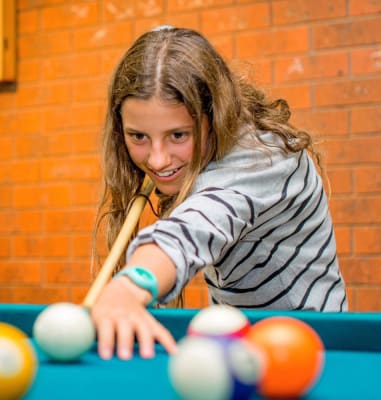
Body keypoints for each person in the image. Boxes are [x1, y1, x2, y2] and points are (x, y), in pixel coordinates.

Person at [89, 26, 347, 361]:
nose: (157, 159)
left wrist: (129, 286)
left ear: (215, 113)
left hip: (308, 354)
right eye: (138, 136)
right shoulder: (208, 149)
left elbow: (192, 229)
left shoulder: (263, 157)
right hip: (240, 352)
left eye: (178, 135)